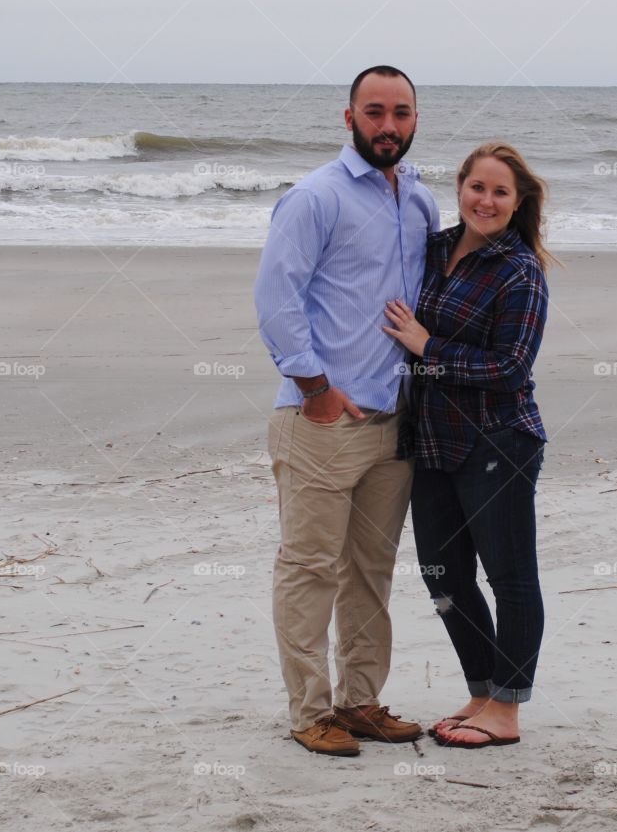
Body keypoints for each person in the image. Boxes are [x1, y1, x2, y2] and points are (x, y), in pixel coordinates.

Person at [254, 66, 440, 757]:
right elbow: (276, 298)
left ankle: (358, 700)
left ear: (415, 118)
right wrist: (315, 389)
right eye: (374, 112)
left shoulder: (417, 199)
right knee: (309, 566)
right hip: (322, 422)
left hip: (394, 421)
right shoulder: (315, 198)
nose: (387, 125)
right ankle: (309, 711)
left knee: (370, 569)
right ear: (349, 117)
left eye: (400, 112)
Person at [382, 142, 551, 749]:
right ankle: (481, 691)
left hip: (497, 442)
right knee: (444, 578)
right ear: (459, 188)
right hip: (431, 442)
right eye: (477, 187)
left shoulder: (520, 271)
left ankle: (506, 709)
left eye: (500, 191)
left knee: (510, 578)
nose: (486, 200)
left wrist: (428, 347)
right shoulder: (434, 250)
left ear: (518, 202)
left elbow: (509, 368)